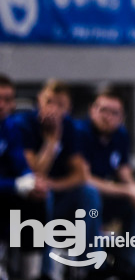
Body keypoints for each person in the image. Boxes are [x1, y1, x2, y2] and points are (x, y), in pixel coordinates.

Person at [11, 79, 100, 272]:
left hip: (58, 193)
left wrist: (53, 184)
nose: (53, 109)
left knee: (89, 193)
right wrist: (51, 142)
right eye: (49, 102)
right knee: (43, 194)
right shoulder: (22, 124)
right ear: (39, 101)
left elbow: (81, 175)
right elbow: (34, 173)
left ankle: (90, 268)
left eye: (60, 105)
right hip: (25, 198)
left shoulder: (71, 127)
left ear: (68, 109)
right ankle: (46, 271)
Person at [78, 88, 135, 277]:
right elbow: (84, 178)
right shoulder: (80, 133)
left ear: (122, 117)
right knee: (90, 195)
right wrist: (126, 190)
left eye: (114, 112)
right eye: (103, 110)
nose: (107, 117)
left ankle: (127, 267)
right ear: (92, 110)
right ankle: (94, 268)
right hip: (79, 200)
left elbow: (122, 168)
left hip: (106, 197)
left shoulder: (121, 135)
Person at [0, 74, 49, 279]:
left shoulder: (10, 127)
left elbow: (20, 163)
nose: (2, 105)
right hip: (5, 188)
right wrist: (16, 185)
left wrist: (32, 182)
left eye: (8, 99)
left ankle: (32, 273)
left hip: (5, 193)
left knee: (35, 200)